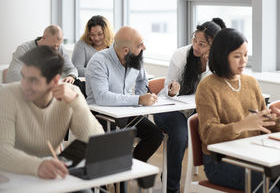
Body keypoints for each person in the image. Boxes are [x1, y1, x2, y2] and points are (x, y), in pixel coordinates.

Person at [196, 28, 280, 193]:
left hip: (255, 155)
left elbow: (263, 123)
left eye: (245, 55)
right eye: (237, 56)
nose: (243, 61)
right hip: (221, 161)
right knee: (270, 190)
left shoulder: (251, 82)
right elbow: (208, 134)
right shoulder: (207, 87)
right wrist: (241, 126)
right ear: (221, 56)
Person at [0, 46, 103, 180]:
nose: (24, 85)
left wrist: (76, 103)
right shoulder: (7, 95)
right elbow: (2, 151)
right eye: (23, 76)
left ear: (54, 81)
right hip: (16, 173)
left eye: (33, 80)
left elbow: (96, 142)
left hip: (54, 171)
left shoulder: (72, 93)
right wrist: (38, 165)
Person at [153, 18, 226, 193]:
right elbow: (166, 91)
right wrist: (173, 90)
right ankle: (172, 187)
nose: (196, 46)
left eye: (202, 44)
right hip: (169, 108)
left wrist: (212, 64)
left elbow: (215, 92)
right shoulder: (181, 55)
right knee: (179, 136)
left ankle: (219, 182)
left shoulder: (217, 61)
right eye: (195, 40)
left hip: (196, 110)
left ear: (213, 46)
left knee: (219, 130)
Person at [85, 26, 163, 163]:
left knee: (155, 135)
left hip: (125, 113)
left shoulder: (135, 58)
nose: (144, 47)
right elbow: (102, 97)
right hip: (100, 115)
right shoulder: (99, 61)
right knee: (118, 142)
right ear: (126, 51)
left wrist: (140, 99)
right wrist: (138, 99)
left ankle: (128, 170)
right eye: (140, 45)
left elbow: (142, 79)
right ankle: (114, 177)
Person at [6, 25, 78, 84]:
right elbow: (12, 75)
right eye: (54, 46)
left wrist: (71, 76)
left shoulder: (59, 48)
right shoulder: (24, 49)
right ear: (44, 37)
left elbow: (71, 69)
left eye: (58, 46)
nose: (56, 49)